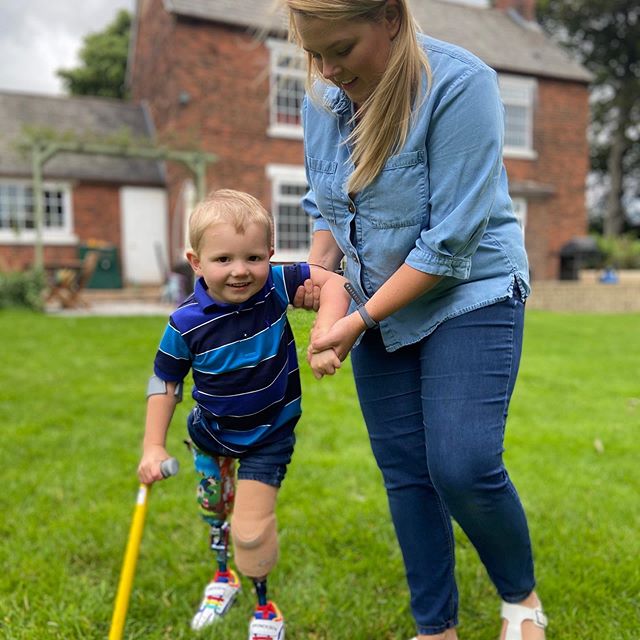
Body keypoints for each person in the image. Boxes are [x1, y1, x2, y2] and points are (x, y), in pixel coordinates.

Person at [283, 1, 547, 639]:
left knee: (462, 464)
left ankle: (521, 600)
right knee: (406, 471)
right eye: (316, 54)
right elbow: (325, 202)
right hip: (377, 294)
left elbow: (452, 243)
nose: (327, 69)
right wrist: (320, 275)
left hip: (470, 289)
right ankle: (436, 628)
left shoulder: (461, 86)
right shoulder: (322, 99)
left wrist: (359, 319)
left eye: (341, 48)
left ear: (391, 20)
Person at [137, 189, 349, 639]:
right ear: (196, 262)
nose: (239, 270)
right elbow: (166, 383)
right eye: (223, 259)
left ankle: (265, 608)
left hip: (268, 435)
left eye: (253, 257)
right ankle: (221, 579)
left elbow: (335, 283)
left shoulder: (274, 284)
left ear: (270, 255)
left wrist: (325, 334)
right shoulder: (185, 324)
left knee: (250, 532)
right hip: (210, 434)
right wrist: (153, 445)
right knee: (215, 510)